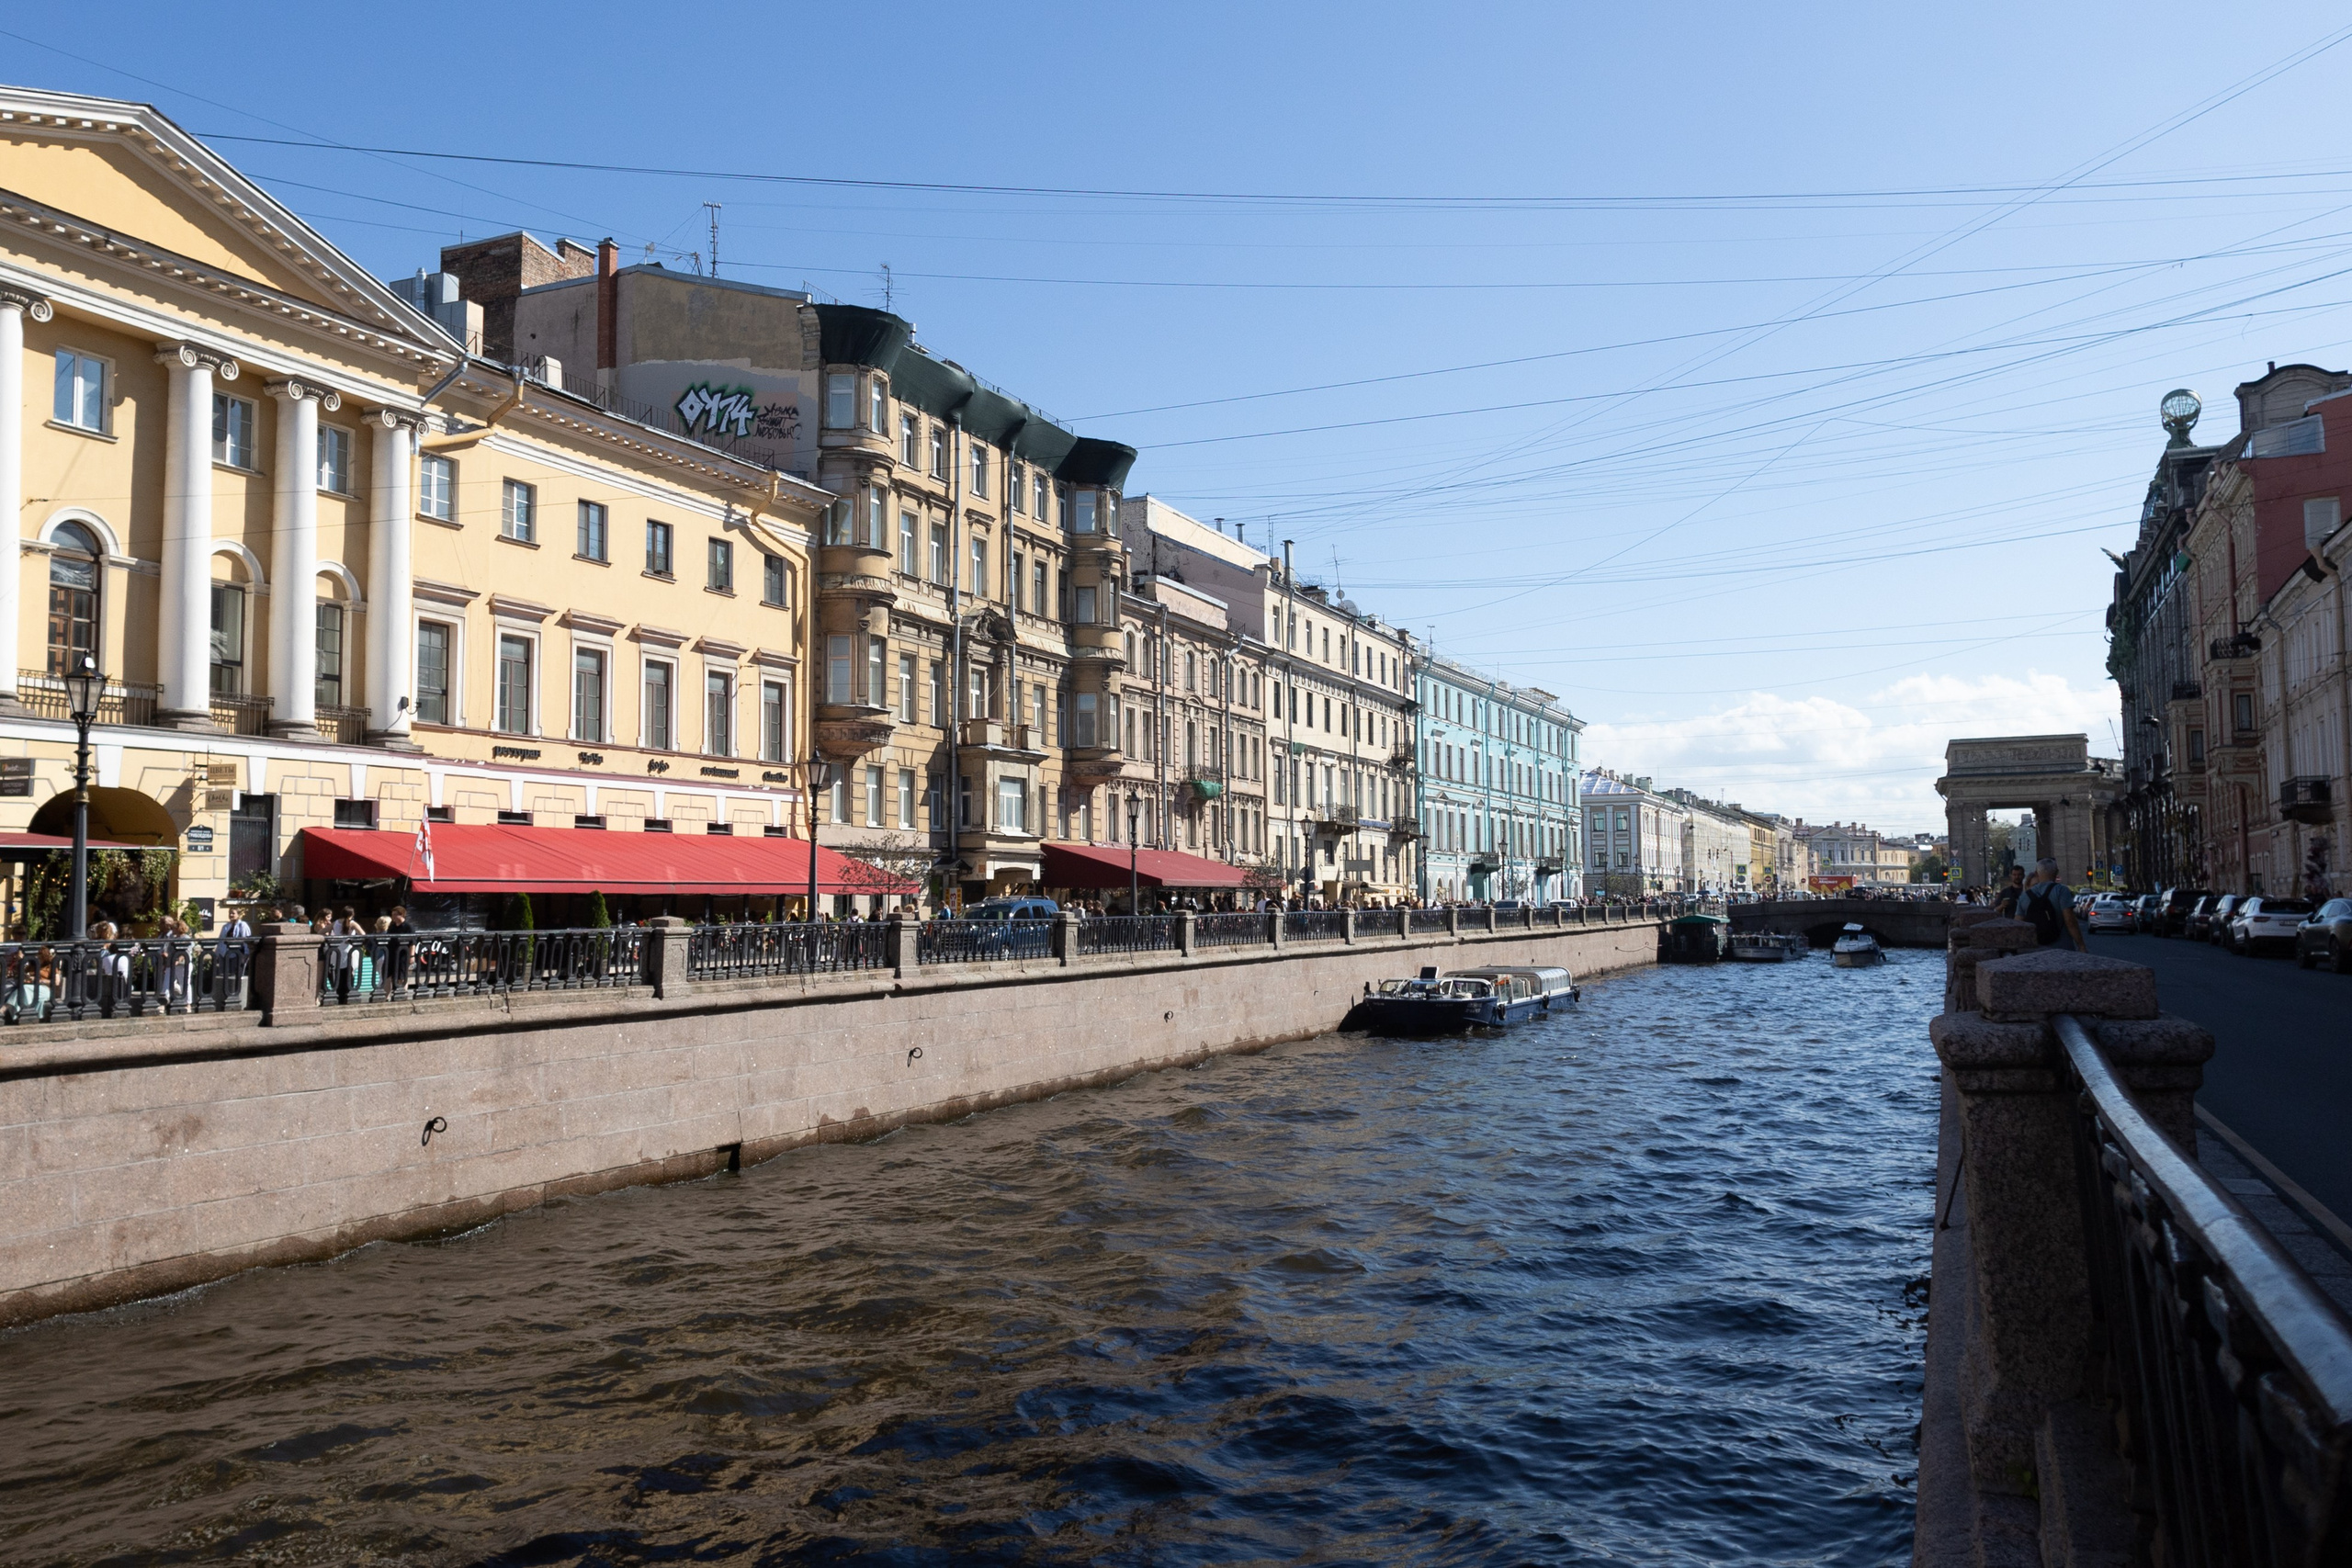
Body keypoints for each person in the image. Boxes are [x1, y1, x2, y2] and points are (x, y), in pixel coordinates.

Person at [2018, 859, 2086, 952]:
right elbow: (2070, 920)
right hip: (2062, 948)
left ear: (2037, 873)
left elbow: (2018, 924)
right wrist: (2081, 945)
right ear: (2056, 872)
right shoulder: (2061, 891)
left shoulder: (2025, 896)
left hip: (2035, 950)